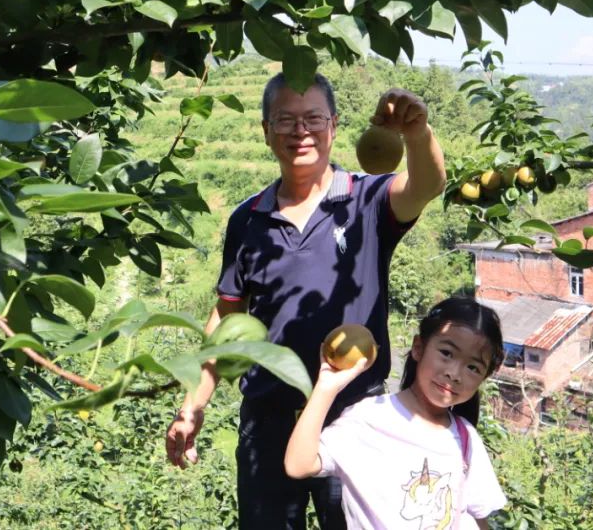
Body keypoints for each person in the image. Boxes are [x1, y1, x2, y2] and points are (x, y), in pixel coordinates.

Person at [164, 71, 446, 529]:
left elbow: (426, 185)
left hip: (352, 421)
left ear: (333, 126)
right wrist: (193, 406)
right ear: (265, 130)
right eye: (286, 120)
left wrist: (417, 134)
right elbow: (227, 317)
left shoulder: (367, 200)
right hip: (267, 422)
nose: (301, 131)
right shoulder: (247, 219)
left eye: (313, 118)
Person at [283, 297, 508, 529]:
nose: (454, 373)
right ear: (418, 348)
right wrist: (326, 388)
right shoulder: (368, 418)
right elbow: (299, 465)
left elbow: (479, 518)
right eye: (447, 353)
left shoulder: (465, 438)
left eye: (473, 367)